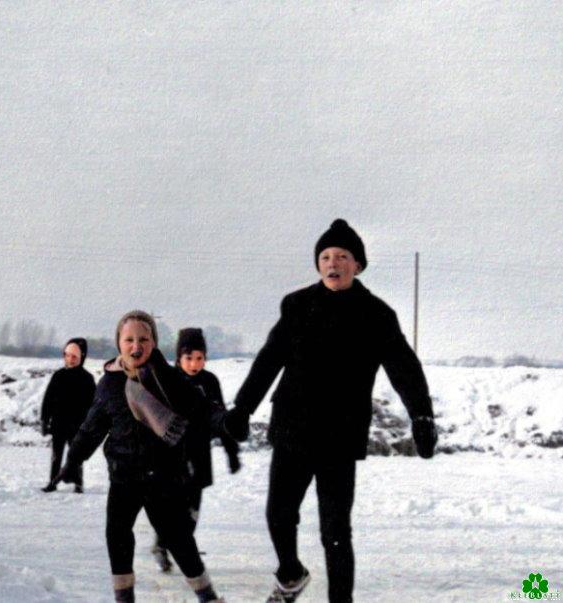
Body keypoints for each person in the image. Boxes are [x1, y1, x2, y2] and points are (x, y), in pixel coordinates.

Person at [224, 220, 438, 603]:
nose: (332, 263)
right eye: (325, 256)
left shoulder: (376, 315)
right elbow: (270, 359)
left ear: (357, 264)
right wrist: (243, 406)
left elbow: (404, 368)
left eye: (341, 256)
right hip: (292, 427)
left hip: (340, 434)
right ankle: (290, 573)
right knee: (278, 515)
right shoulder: (297, 305)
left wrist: (421, 416)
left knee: (335, 529)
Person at [50, 311, 225, 603]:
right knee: (117, 536)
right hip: (124, 477)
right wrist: (72, 461)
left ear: (153, 343)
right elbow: (92, 428)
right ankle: (124, 598)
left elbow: (201, 409)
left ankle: (208, 596)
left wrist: (226, 422)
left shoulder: (168, 379)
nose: (136, 345)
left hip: (165, 477)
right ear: (119, 343)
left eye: (144, 339)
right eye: (129, 339)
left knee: (179, 539)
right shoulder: (109, 384)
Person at [151, 327, 241, 573]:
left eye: (199, 358)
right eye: (188, 358)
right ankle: (163, 544)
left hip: (199, 451)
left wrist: (231, 452)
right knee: (173, 506)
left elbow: (220, 418)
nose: (194, 364)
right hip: (172, 453)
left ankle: (176, 545)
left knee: (193, 509)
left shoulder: (210, 382)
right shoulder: (168, 379)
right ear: (178, 358)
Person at [40, 337, 96, 493]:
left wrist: (90, 426)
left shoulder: (87, 379)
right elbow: (48, 399)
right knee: (56, 456)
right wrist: (44, 420)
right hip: (58, 425)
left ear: (81, 358)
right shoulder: (58, 376)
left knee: (75, 457)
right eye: (67, 355)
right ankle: (53, 482)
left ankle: (78, 484)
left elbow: (93, 406)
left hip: (77, 427)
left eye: (74, 357)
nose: (70, 360)